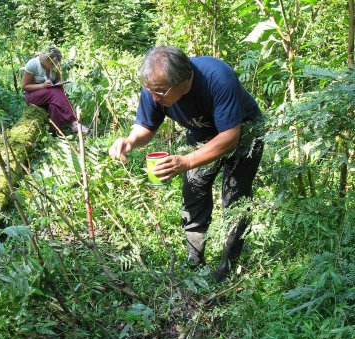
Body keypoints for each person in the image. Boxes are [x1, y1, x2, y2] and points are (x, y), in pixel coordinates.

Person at [109, 46, 264, 281]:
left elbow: (230, 137)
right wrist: (130, 141)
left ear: (185, 78)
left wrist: (187, 160)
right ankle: (195, 260)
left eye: (160, 92)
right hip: (203, 134)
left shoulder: (217, 77)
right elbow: (147, 127)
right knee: (193, 190)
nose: (154, 97)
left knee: (235, 199)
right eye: (150, 90)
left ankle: (227, 268)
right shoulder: (155, 86)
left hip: (243, 133)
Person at [22, 46, 88, 135]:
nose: (54, 65)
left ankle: (56, 134)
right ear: (45, 61)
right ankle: (74, 122)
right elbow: (25, 86)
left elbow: (58, 82)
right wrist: (43, 85)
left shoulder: (55, 65)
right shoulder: (33, 64)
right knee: (54, 92)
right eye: (52, 64)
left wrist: (61, 85)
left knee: (55, 105)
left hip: (49, 95)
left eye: (56, 63)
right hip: (33, 96)